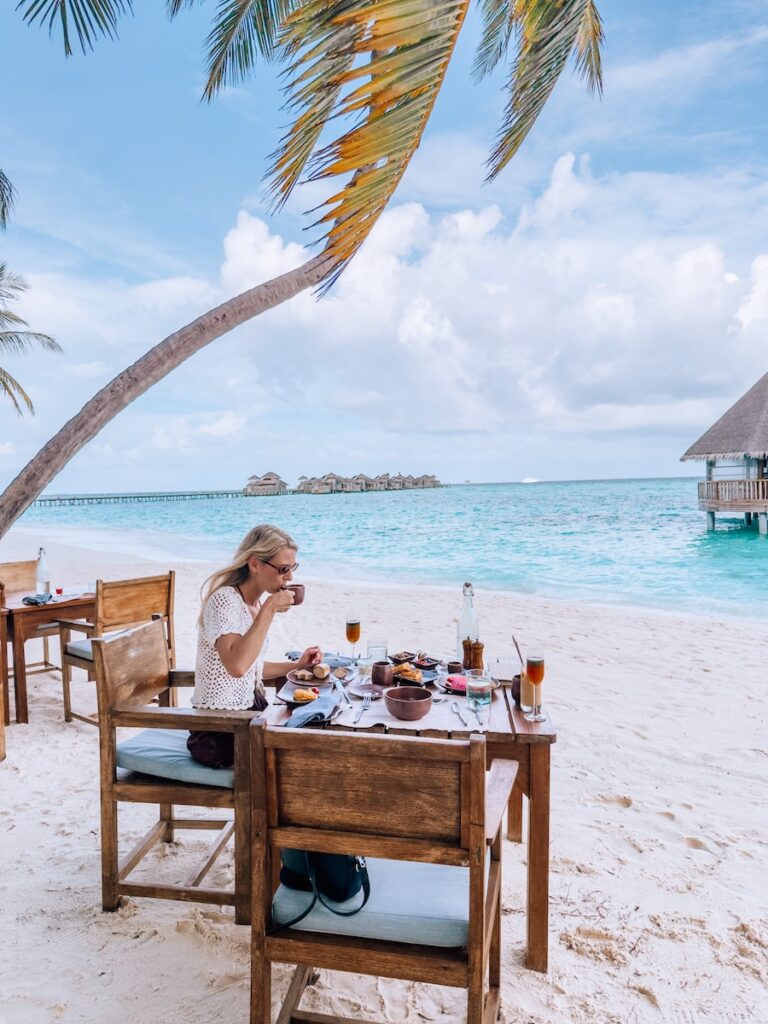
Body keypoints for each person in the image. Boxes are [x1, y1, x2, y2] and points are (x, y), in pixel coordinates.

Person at [187, 524, 321, 768]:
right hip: (221, 732)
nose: (290, 577)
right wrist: (270, 609)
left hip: (250, 716)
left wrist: (297, 665)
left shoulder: (254, 604)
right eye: (283, 569)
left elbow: (252, 667)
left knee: (318, 728)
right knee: (305, 754)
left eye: (292, 569)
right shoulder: (224, 600)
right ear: (255, 563)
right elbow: (237, 666)